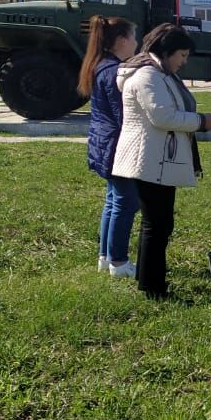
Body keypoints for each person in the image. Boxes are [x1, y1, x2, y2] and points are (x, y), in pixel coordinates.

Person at [111, 25, 211, 298]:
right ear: (165, 51)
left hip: (157, 159)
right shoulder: (147, 76)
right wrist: (202, 122)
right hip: (149, 160)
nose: (184, 62)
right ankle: (153, 288)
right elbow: (163, 117)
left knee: (157, 223)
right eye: (182, 55)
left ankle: (146, 279)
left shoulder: (159, 73)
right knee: (157, 225)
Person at [78, 15, 141, 277]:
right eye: (134, 37)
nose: (136, 43)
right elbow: (124, 114)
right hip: (117, 147)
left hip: (103, 144)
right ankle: (119, 262)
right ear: (121, 41)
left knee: (113, 200)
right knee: (126, 203)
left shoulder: (98, 65)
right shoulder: (115, 72)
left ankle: (105, 257)